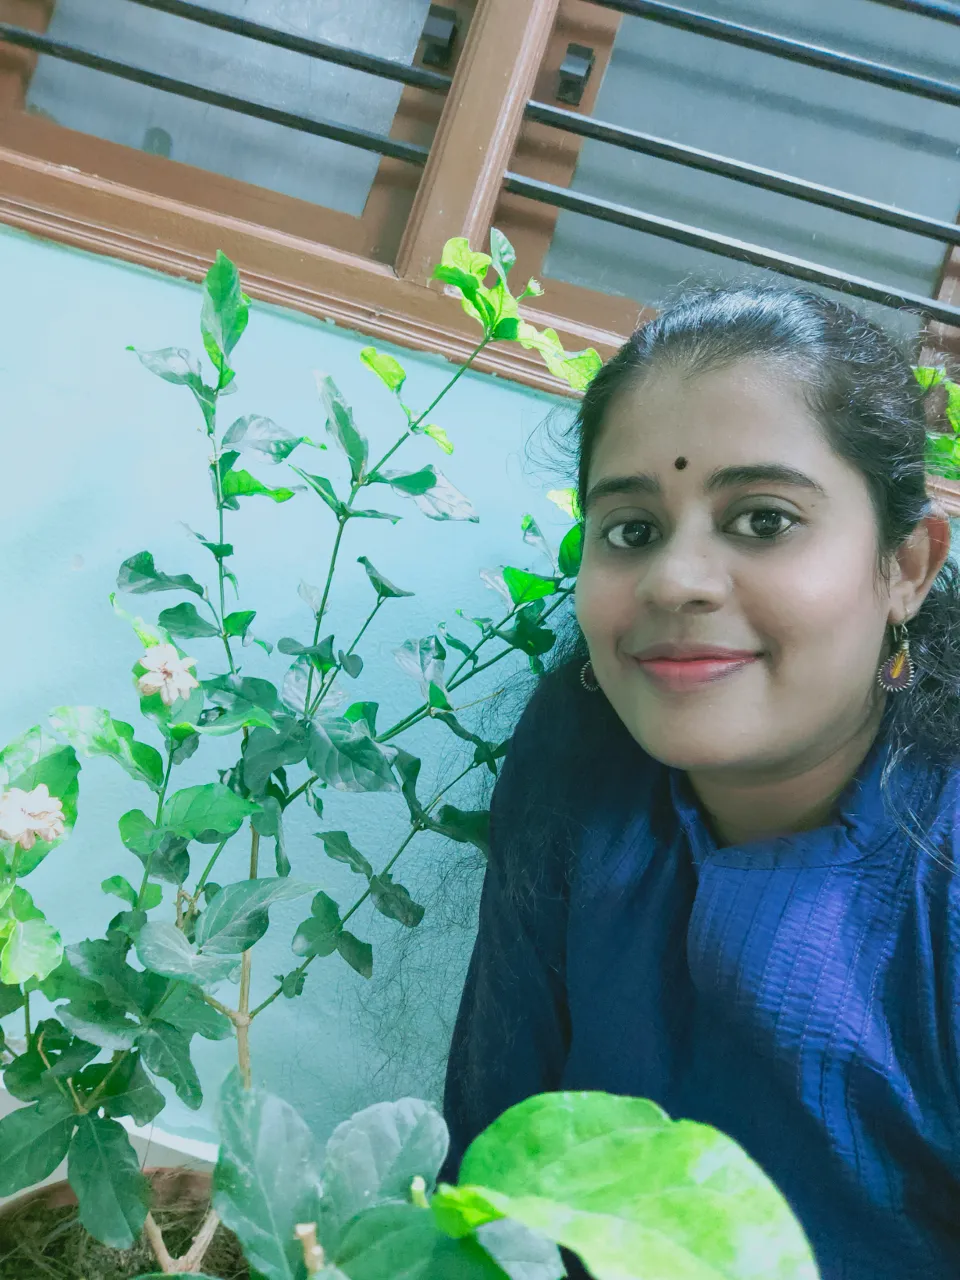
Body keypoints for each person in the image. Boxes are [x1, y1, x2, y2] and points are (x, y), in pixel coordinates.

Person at [440, 285, 960, 1280]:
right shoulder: (579, 757)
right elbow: (495, 1165)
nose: (676, 581)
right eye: (631, 529)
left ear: (905, 565)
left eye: (762, 519)